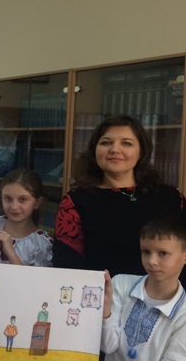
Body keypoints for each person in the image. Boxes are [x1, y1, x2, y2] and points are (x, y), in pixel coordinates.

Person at [84, 217, 186, 361]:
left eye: (163, 253)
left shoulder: (183, 313)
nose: (152, 261)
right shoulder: (122, 284)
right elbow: (109, 346)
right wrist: (105, 312)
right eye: (146, 251)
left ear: (184, 256)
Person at [53, 115, 186, 283]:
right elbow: (66, 267)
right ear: (95, 150)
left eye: (126, 143)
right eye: (106, 142)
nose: (114, 149)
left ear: (141, 152)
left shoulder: (171, 198)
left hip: (168, 297)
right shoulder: (76, 201)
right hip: (102, 297)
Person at [0, 169, 53, 266]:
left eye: (22, 199)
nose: (14, 207)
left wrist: (11, 252)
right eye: (8, 198)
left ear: (37, 203)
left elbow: (32, 276)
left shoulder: (41, 244)